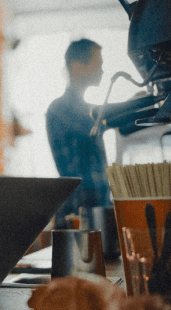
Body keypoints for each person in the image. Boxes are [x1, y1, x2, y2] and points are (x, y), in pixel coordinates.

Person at [46, 38, 112, 229]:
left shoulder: (86, 108)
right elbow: (95, 123)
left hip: (97, 207)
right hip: (76, 212)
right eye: (97, 64)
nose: (102, 70)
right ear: (76, 67)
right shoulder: (59, 108)